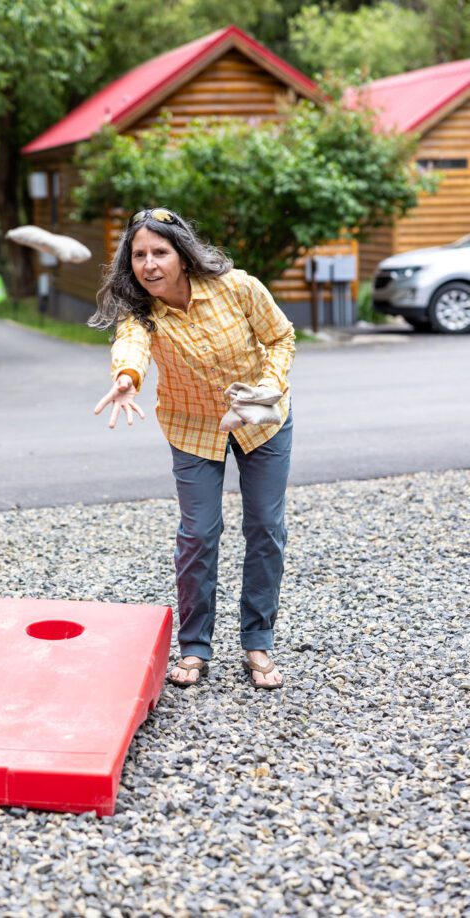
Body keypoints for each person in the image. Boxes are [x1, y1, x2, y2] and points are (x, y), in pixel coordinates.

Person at [91, 207, 295, 690]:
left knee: (265, 526)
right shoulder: (141, 311)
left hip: (261, 419)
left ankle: (257, 641)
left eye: (159, 252)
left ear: (181, 254)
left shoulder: (238, 287)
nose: (149, 264)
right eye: (138, 254)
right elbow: (131, 344)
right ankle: (195, 647)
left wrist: (265, 389)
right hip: (192, 428)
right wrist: (127, 378)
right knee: (199, 533)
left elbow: (281, 336)